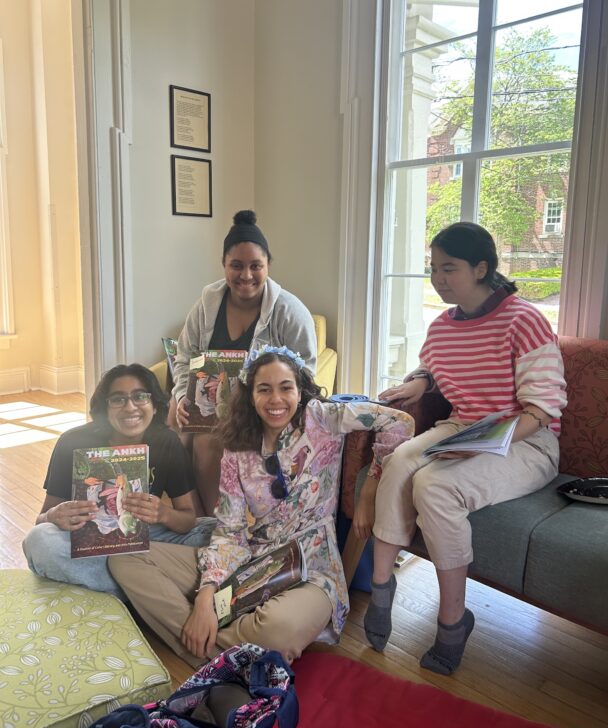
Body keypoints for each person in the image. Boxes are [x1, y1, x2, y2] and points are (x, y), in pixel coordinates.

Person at [108, 346, 414, 667]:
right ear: (250, 396)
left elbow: (399, 422)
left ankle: (203, 645)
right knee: (125, 558)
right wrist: (205, 595)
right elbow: (230, 531)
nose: (276, 399)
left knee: (276, 630)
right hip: (250, 565)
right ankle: (224, 646)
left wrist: (370, 490)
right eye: (264, 389)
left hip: (312, 571)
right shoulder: (237, 451)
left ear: (300, 390)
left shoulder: (322, 420)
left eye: (286, 388)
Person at [355, 222, 567, 676]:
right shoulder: (443, 326)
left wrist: (484, 446)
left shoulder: (523, 320)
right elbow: (430, 367)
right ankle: (380, 586)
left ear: (481, 268)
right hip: (462, 426)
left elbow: (542, 409)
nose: (438, 279)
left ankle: (453, 621)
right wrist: (414, 384)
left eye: (449, 269)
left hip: (528, 441)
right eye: (434, 268)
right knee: (399, 462)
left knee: (434, 485)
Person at [22, 364, 216, 600]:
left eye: (140, 396)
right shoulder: (72, 442)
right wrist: (53, 516)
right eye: (118, 399)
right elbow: (40, 520)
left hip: (148, 539)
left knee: (213, 531)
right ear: (105, 408)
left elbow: (188, 518)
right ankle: (140, 592)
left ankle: (107, 587)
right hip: (90, 543)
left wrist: (164, 514)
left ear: (154, 406)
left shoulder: (167, 442)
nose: (130, 407)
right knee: (39, 541)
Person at [172, 210, 317, 516]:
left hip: (260, 408)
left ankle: (214, 522)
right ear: (223, 265)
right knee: (173, 430)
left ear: (268, 266)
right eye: (236, 266)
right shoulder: (205, 305)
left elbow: (305, 375)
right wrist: (183, 395)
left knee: (207, 443)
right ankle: (188, 517)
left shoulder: (290, 311)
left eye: (256, 266)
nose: (246, 275)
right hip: (208, 404)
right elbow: (185, 356)